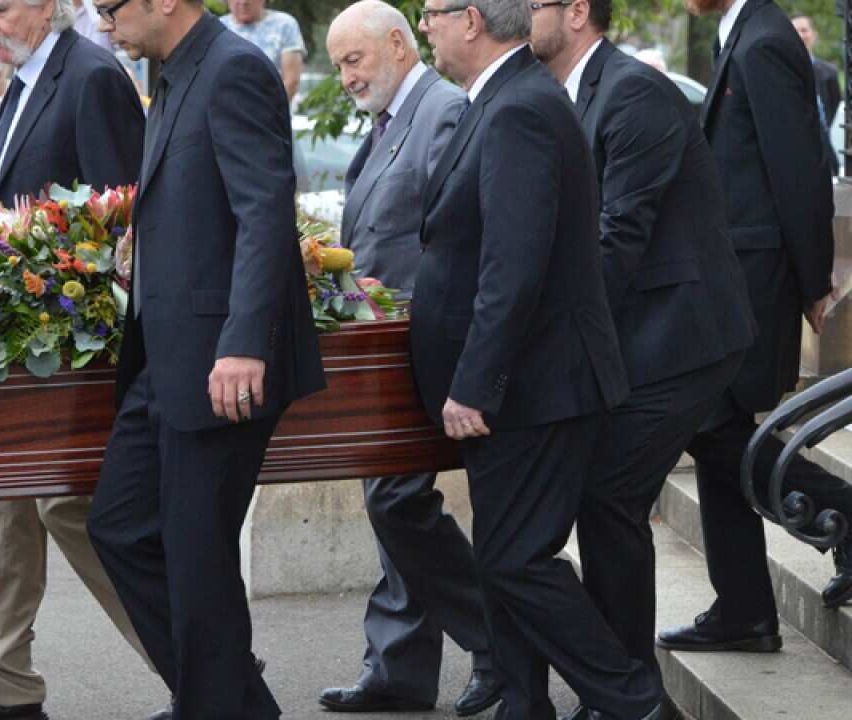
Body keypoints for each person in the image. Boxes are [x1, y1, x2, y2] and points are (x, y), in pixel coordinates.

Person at [413, 0, 670, 717]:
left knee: (513, 560)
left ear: (472, 19)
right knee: (503, 563)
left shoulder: (520, 106)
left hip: (532, 387)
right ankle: (524, 704)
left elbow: (513, 265)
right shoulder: (500, 96)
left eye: (430, 11)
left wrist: (475, 384)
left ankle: (631, 698)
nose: (423, 24)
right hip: (519, 388)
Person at [88, 2, 326, 719]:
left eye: (109, 7)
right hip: (167, 358)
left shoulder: (233, 70)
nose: (103, 24)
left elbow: (264, 210)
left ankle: (217, 704)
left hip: (224, 363)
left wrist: (244, 342)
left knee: (199, 563)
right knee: (120, 527)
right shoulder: (171, 72)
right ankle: (231, 701)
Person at [528, 1, 757, 716]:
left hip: (681, 336)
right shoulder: (572, 93)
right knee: (724, 463)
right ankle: (640, 675)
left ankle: (625, 694)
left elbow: (620, 235)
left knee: (606, 495)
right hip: (641, 334)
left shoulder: (634, 90)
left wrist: (550, 334)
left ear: (573, 12)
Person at [0, 2, 151, 719]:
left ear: (48, 6)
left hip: (71, 353)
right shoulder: (29, 78)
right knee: (1, 495)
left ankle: (203, 656)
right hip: (15, 350)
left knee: (74, 506)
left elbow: (125, 218)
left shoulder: (91, 76)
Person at [315, 2, 501, 716]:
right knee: (386, 498)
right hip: (382, 345)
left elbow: (452, 238)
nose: (345, 78)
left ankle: (497, 636)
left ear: (398, 44)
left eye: (353, 60)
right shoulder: (393, 117)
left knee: (396, 500)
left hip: (426, 342)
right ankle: (399, 666)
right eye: (337, 66)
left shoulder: (444, 109)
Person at [657, 0, 852, 655]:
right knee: (719, 431)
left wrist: (813, 281)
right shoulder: (740, 32)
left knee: (716, 427)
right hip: (736, 275)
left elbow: (799, 171)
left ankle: (842, 515)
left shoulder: (764, 40)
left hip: (756, 280)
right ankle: (743, 609)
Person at [219, 0, 306, 102]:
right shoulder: (219, 27)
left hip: (271, 111)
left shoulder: (285, 25)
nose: (243, 2)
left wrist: (268, 112)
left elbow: (291, 81)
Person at [791, 14, 840, 175]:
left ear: (813, 34)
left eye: (804, 30)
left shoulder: (829, 73)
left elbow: (833, 106)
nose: (800, 35)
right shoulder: (781, 72)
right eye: (795, 31)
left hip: (824, 151)